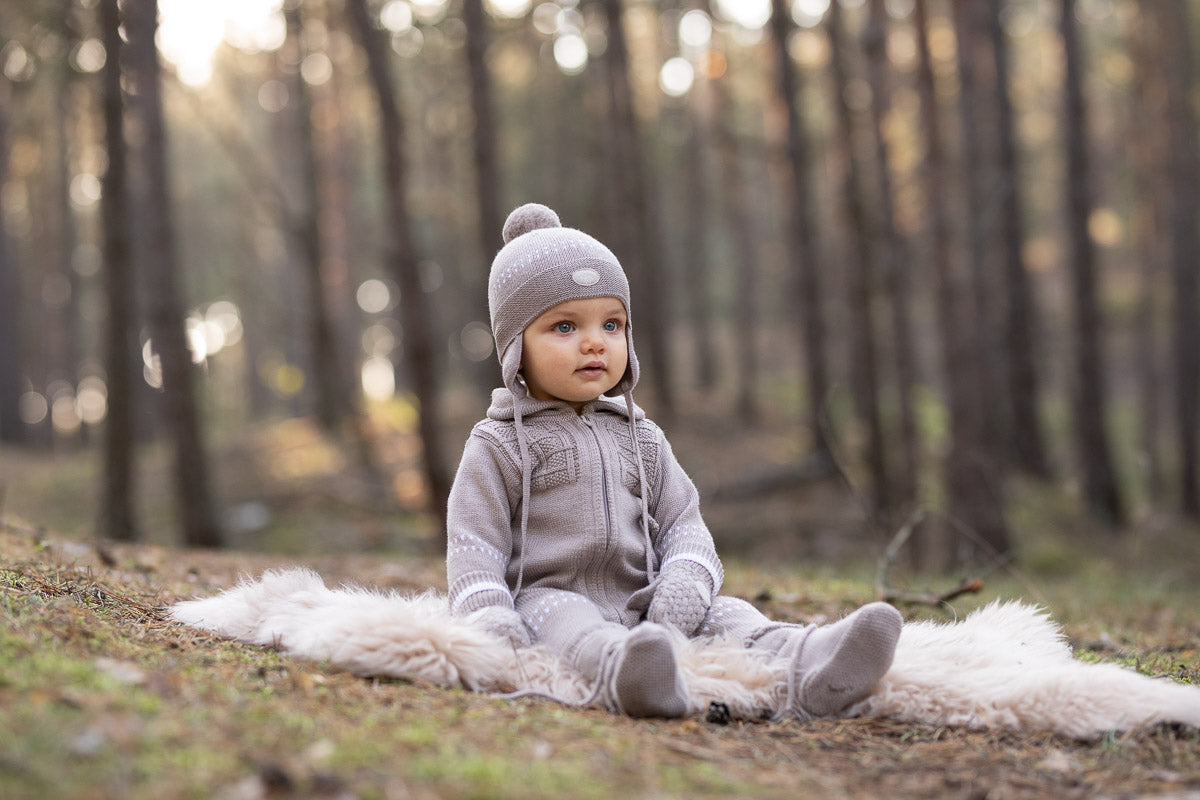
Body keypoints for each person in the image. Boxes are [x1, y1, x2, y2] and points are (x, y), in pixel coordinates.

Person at [446, 203, 902, 719]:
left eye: (612, 324)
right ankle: (630, 676)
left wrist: (686, 579)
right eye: (566, 326)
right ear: (514, 348)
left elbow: (685, 522)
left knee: (729, 616)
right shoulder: (498, 444)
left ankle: (815, 663)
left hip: (646, 598)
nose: (595, 341)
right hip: (548, 596)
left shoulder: (641, 437)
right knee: (568, 622)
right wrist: (488, 620)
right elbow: (473, 544)